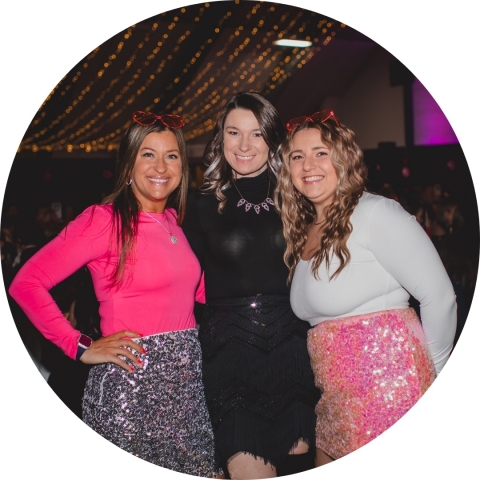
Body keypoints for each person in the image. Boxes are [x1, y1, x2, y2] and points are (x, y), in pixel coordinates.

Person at [9, 111, 218, 477]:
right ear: (128, 163)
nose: (161, 166)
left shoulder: (174, 223)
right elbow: (26, 283)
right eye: (147, 154)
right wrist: (79, 345)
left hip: (187, 390)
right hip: (131, 385)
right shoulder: (103, 220)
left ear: (183, 166)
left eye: (171, 155)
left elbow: (202, 296)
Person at [276, 110, 457, 463]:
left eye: (320, 152)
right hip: (335, 400)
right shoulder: (305, 230)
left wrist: (433, 381)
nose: (308, 164)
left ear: (343, 159)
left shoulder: (376, 213)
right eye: (297, 156)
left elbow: (440, 297)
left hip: (390, 392)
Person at [182, 92, 320, 479]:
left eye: (257, 134)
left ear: (272, 140)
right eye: (233, 132)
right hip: (228, 361)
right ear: (220, 139)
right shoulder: (197, 205)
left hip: (295, 358)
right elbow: (181, 286)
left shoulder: (301, 196)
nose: (244, 145)